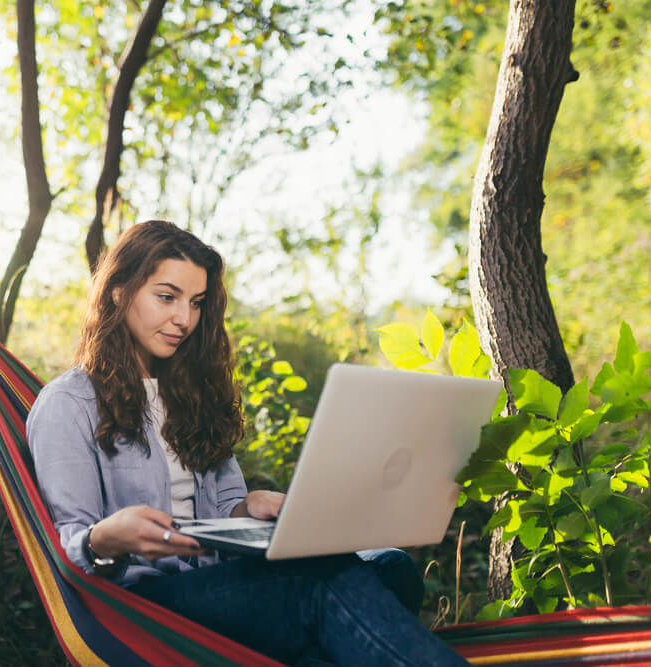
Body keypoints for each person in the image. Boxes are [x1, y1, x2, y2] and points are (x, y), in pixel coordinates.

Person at [27, 221, 469, 666]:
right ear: (119, 291)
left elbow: (224, 517)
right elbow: (68, 548)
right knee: (319, 582)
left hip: (220, 586)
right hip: (142, 609)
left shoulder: (189, 394)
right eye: (167, 297)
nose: (184, 319)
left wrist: (248, 507)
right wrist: (108, 537)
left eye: (196, 303)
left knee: (391, 566)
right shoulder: (68, 404)